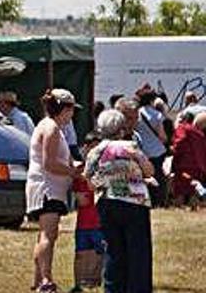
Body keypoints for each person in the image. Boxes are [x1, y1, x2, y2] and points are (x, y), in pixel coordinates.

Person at [85, 109, 154, 293]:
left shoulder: (95, 151)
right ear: (121, 129)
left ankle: (113, 289)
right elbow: (148, 171)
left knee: (113, 250)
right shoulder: (131, 147)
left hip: (107, 203)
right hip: (134, 203)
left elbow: (89, 182)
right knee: (138, 251)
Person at [26, 89, 81, 293]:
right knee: (48, 235)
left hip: (50, 188)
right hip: (46, 188)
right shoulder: (51, 129)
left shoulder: (53, 127)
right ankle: (46, 281)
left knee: (45, 235)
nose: (72, 115)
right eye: (71, 110)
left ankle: (38, 279)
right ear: (64, 109)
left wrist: (75, 166)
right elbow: (49, 163)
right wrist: (73, 172)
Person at [70, 132, 104, 293]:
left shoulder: (105, 170)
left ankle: (97, 282)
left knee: (101, 253)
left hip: (100, 221)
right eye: (91, 148)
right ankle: (77, 285)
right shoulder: (80, 172)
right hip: (84, 222)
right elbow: (82, 199)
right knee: (80, 253)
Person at [133, 85, 168, 207]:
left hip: (142, 150)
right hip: (157, 151)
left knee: (144, 176)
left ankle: (147, 200)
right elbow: (162, 135)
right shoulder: (157, 115)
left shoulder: (136, 114)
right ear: (151, 100)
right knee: (158, 176)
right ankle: (159, 201)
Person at [171, 112, 206, 209]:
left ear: (183, 120)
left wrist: (173, 149)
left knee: (180, 188)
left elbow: (180, 141)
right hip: (196, 166)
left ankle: (179, 207)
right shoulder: (199, 133)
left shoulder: (183, 128)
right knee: (192, 188)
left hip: (183, 165)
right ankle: (194, 208)